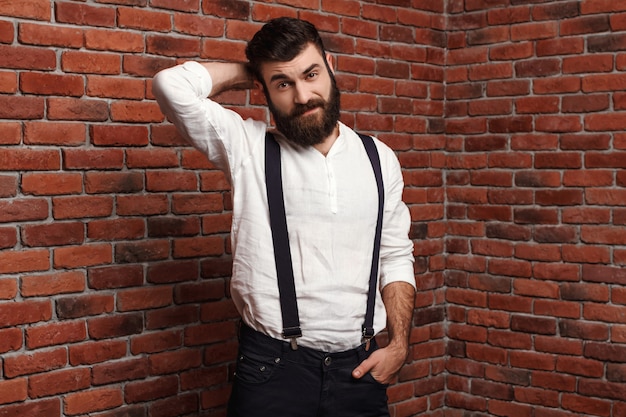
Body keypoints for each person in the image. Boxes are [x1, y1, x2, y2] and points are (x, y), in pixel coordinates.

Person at [153, 17, 416, 417]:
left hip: (359, 372)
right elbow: (170, 87)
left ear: (330, 64)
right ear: (263, 90)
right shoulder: (248, 146)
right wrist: (251, 72)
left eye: (311, 73)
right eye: (283, 83)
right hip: (272, 370)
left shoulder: (380, 159)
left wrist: (398, 344)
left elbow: (395, 256)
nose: (304, 95)